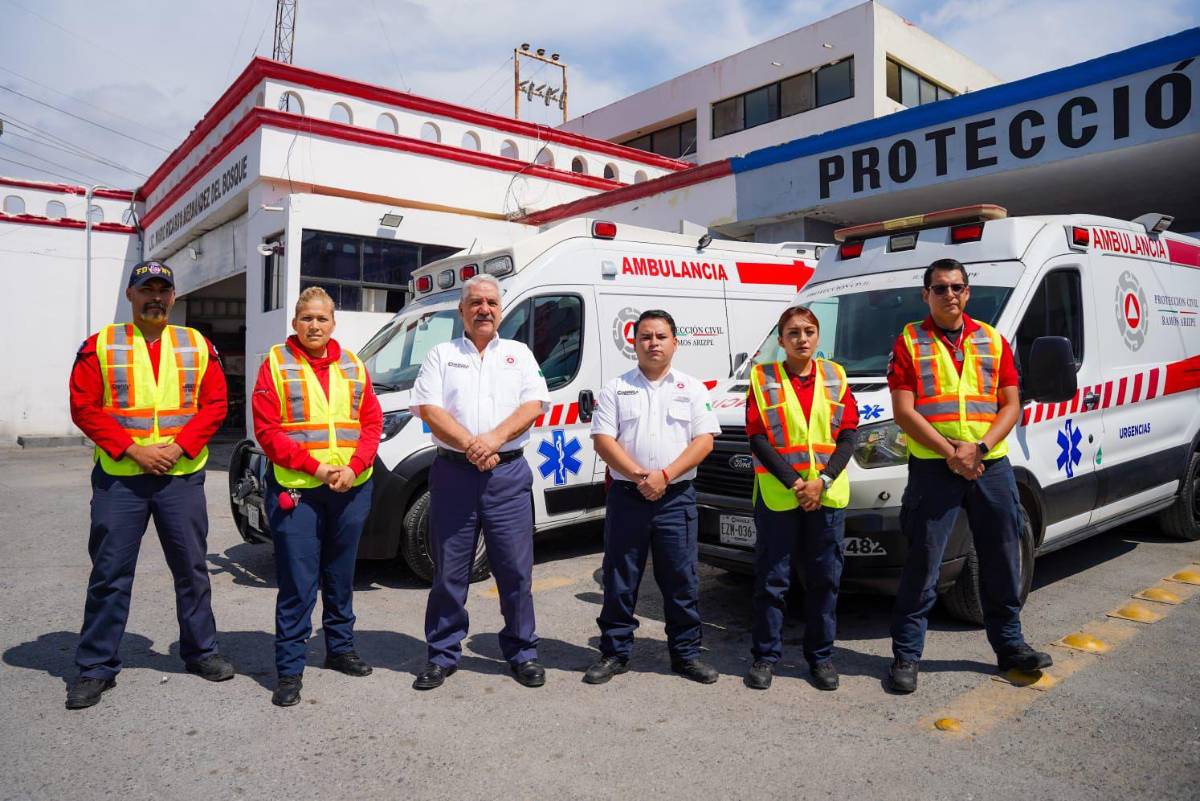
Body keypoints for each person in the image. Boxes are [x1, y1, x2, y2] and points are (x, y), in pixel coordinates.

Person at [66, 260, 232, 709]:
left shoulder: (196, 344)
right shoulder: (101, 345)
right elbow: (84, 406)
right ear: (131, 295)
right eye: (146, 289)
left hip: (180, 476)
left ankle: (201, 652)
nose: (155, 297)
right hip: (122, 478)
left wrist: (179, 447)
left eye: (163, 290)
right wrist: (133, 450)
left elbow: (215, 404)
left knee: (192, 570)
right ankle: (96, 667)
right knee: (109, 574)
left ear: (173, 297)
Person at [885, 258, 1052, 694]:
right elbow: (904, 411)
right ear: (926, 295)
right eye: (940, 288)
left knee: (1002, 556)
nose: (950, 295)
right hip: (934, 467)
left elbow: (1011, 404)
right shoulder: (909, 341)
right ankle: (906, 655)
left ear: (968, 292)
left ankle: (1010, 648)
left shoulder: (993, 340)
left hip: (989, 464)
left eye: (957, 287)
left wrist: (978, 448)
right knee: (923, 561)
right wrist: (953, 453)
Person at [410, 274, 550, 690]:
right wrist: (472, 445)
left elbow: (534, 404)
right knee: (449, 572)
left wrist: (492, 440)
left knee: (515, 572)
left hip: (506, 475)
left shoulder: (519, 354)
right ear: (462, 311)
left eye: (491, 302)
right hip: (454, 474)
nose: (484, 309)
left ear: (501, 311)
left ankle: (523, 652)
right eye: (475, 303)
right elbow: (429, 408)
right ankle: (442, 654)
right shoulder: (441, 355)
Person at [252, 286, 382, 707]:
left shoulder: (353, 364)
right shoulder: (276, 363)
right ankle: (290, 670)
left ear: (332, 323)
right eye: (306, 318)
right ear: (295, 322)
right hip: (299, 491)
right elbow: (268, 432)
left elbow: (371, 423)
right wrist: (319, 469)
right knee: (298, 582)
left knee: (341, 576)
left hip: (350, 487)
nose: (314, 325)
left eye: (321, 318)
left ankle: (340, 649)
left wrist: (354, 467)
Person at [584, 310, 720, 685]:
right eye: (645, 336)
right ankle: (614, 652)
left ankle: (686, 654)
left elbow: (704, 441)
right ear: (634, 344)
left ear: (675, 342)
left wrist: (665, 476)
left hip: (676, 498)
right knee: (620, 578)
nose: (653, 343)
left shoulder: (693, 388)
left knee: (681, 580)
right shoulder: (616, 388)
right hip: (628, 497)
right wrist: (641, 476)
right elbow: (603, 441)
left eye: (661, 336)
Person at [744, 306, 858, 692]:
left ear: (818, 336)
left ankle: (821, 657)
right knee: (772, 580)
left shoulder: (835, 375)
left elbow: (848, 435)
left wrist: (821, 481)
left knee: (825, 580)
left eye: (809, 331)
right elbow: (758, 438)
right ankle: (765, 657)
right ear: (781, 340)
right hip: (780, 495)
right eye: (793, 333)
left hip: (826, 494)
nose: (802, 338)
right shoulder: (762, 378)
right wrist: (797, 483)